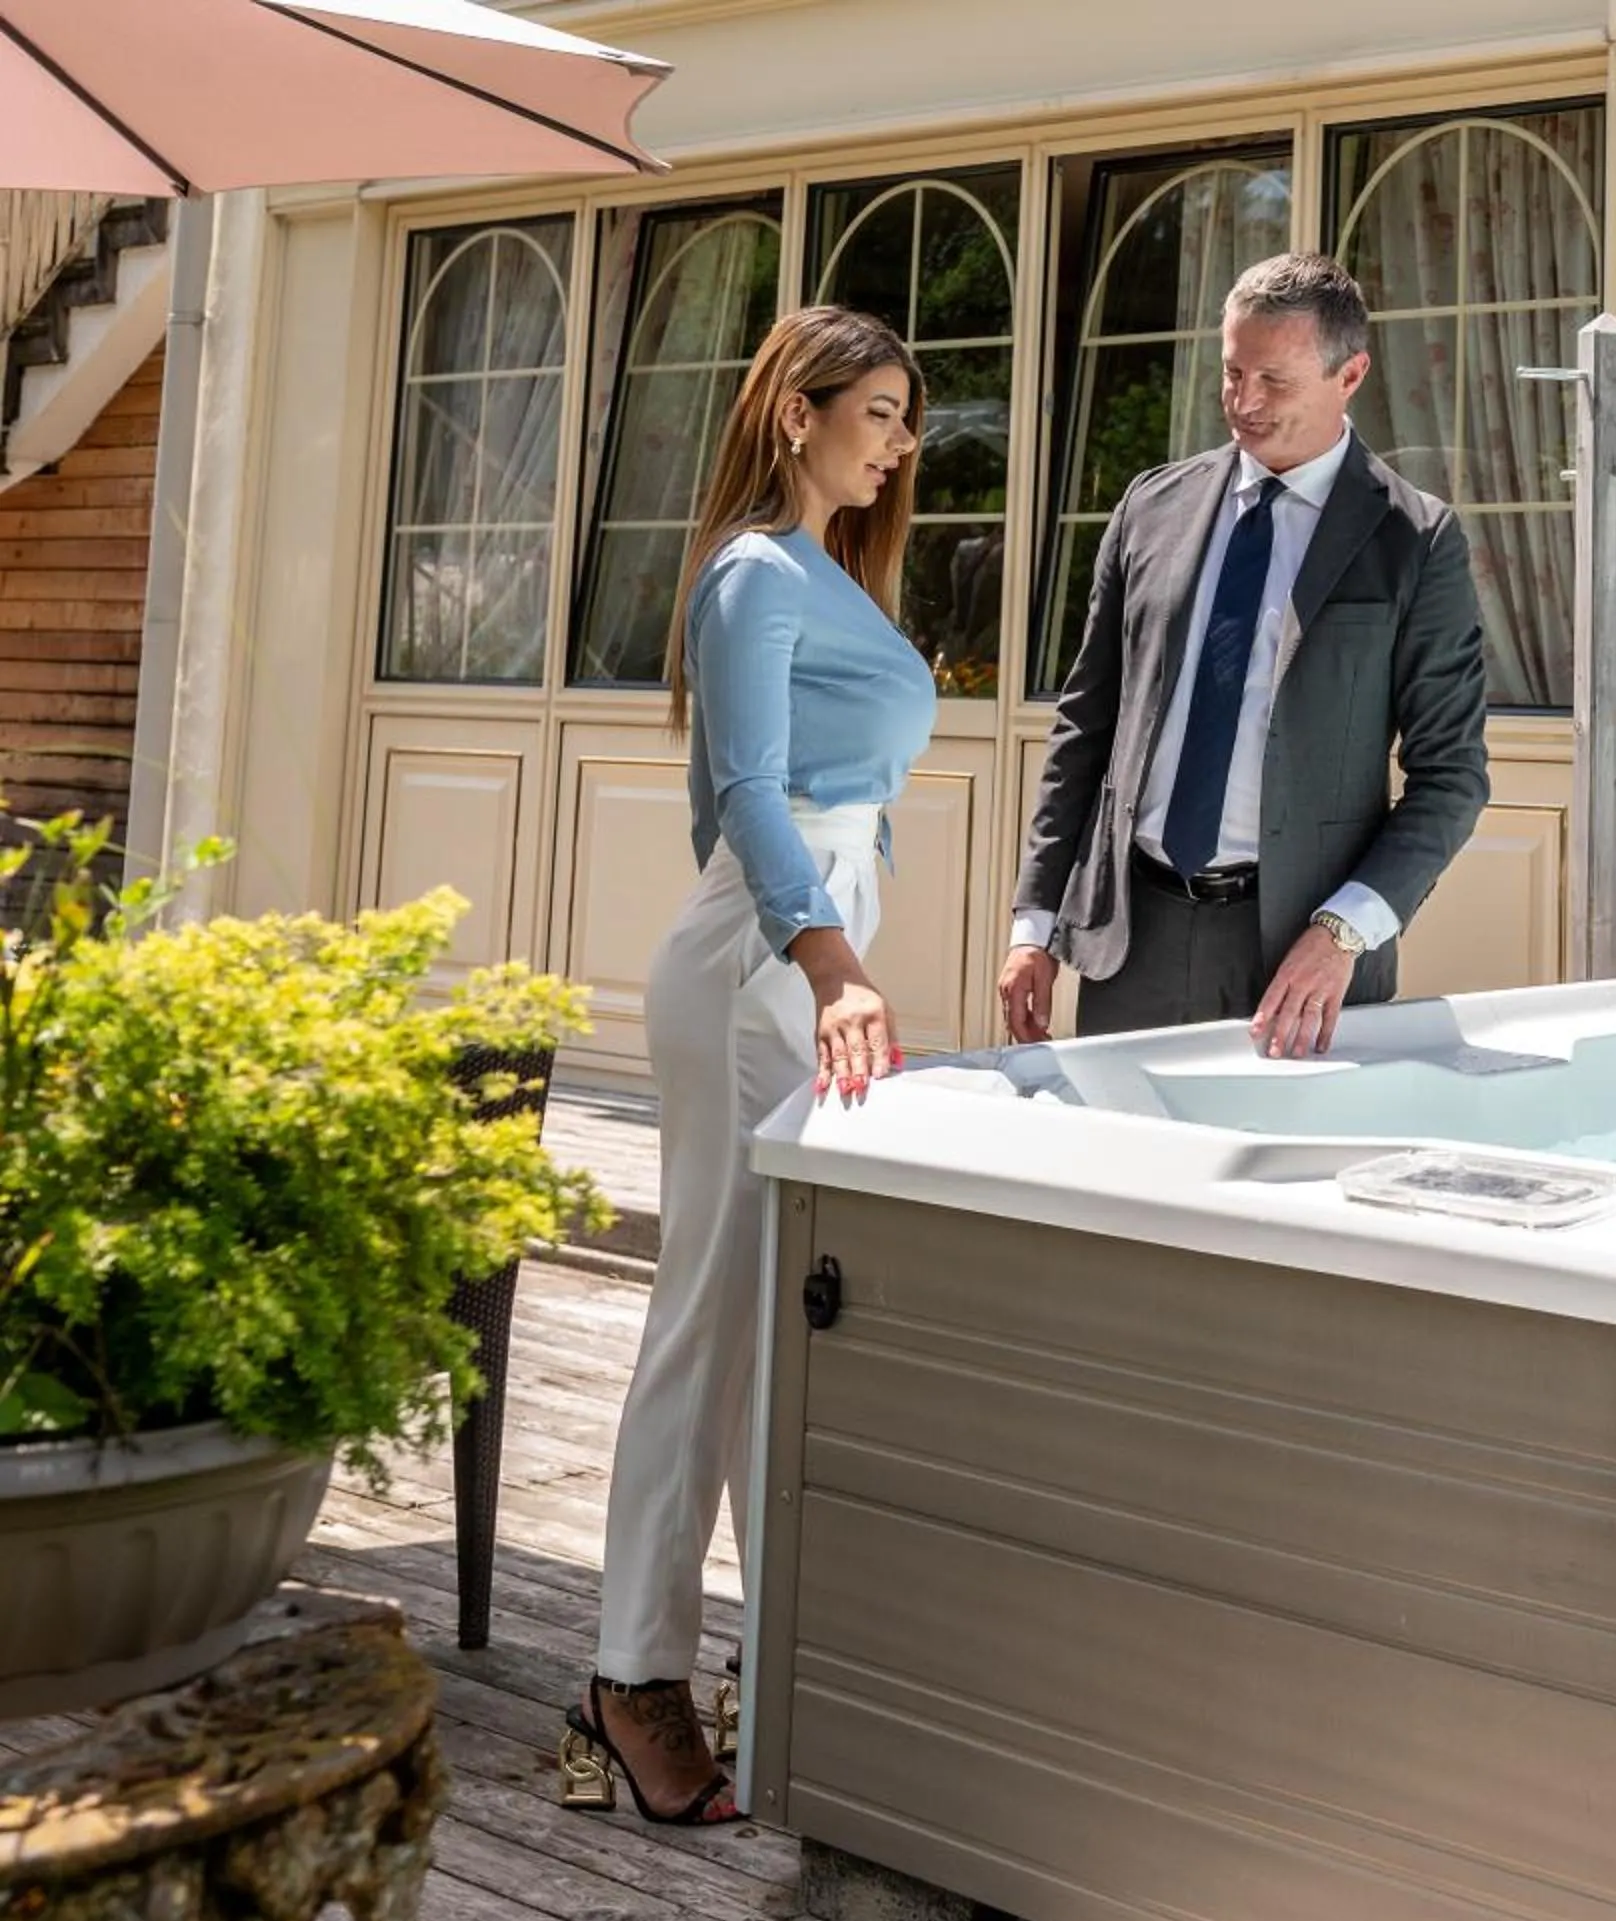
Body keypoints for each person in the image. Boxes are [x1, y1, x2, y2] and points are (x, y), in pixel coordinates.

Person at [561, 306, 932, 1827]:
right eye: (881, 409)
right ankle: (632, 1673)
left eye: (912, 418)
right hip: (761, 973)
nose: (901, 440)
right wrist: (827, 959)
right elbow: (749, 796)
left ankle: (781, 1663)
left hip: (796, 960)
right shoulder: (750, 573)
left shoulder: (831, 575)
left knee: (785, 1326)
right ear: (798, 409)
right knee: (709, 1317)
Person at [998, 252, 1489, 1055]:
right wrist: (1035, 920)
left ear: (1351, 373)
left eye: (1275, 381)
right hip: (1131, 943)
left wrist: (1343, 933)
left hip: (1302, 959)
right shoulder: (1149, 508)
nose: (1244, 403)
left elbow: (1452, 777)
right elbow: (1085, 730)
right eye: (1232, 373)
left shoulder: (1418, 540)